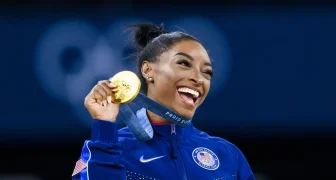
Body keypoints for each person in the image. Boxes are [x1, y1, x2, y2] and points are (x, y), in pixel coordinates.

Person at [72, 23, 255, 180]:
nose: (199, 79)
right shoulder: (108, 147)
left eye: (207, 72)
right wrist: (104, 125)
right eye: (184, 63)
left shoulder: (228, 155)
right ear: (148, 70)